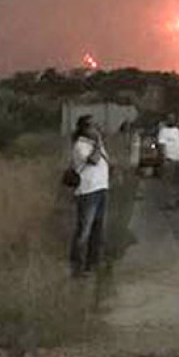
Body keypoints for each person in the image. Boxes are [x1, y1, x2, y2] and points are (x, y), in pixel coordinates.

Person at [69, 115, 110, 277]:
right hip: (88, 191)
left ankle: (92, 263)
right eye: (94, 126)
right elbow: (93, 160)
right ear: (85, 129)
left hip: (100, 188)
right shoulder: (80, 146)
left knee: (97, 229)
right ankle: (77, 266)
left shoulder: (94, 144)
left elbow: (106, 160)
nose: (97, 128)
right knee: (84, 230)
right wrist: (99, 143)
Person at [157, 114, 179, 209]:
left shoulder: (177, 130)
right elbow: (161, 146)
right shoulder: (163, 131)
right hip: (169, 159)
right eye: (170, 119)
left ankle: (177, 199)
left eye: (173, 119)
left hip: (178, 159)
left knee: (177, 181)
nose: (172, 120)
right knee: (168, 182)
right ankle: (170, 202)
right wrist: (164, 159)